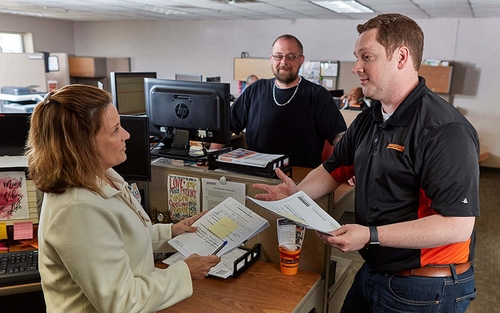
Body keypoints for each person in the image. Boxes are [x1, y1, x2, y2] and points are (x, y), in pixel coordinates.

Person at [254, 13, 479, 313]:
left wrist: (370, 235)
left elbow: (457, 225)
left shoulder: (443, 130)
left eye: (367, 57)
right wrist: (299, 194)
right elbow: (334, 168)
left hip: (426, 287)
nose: (357, 67)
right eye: (356, 57)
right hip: (376, 270)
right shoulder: (369, 120)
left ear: (401, 57)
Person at [26, 84, 220, 313]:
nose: (126, 135)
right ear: (83, 143)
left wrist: (171, 232)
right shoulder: (77, 209)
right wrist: (184, 272)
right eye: (115, 130)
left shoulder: (102, 174)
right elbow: (122, 303)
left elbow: (121, 237)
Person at [229, 34, 347, 168]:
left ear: (301, 60)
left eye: (291, 57)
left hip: (301, 177)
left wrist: (348, 164)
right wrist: (211, 154)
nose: (284, 62)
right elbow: (228, 125)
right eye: (278, 56)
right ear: (271, 58)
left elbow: (339, 136)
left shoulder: (317, 95)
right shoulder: (255, 89)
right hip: (257, 172)